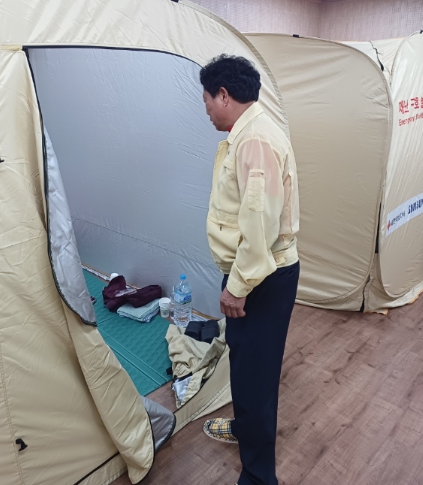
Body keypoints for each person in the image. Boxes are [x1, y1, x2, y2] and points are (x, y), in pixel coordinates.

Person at [200, 54, 300, 485]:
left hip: (260, 276)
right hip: (252, 272)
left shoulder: (255, 139)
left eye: (206, 99)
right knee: (243, 363)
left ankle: (259, 477)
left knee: (256, 375)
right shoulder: (246, 133)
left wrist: (237, 287)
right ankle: (245, 429)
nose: (205, 108)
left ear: (224, 95)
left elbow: (259, 225)